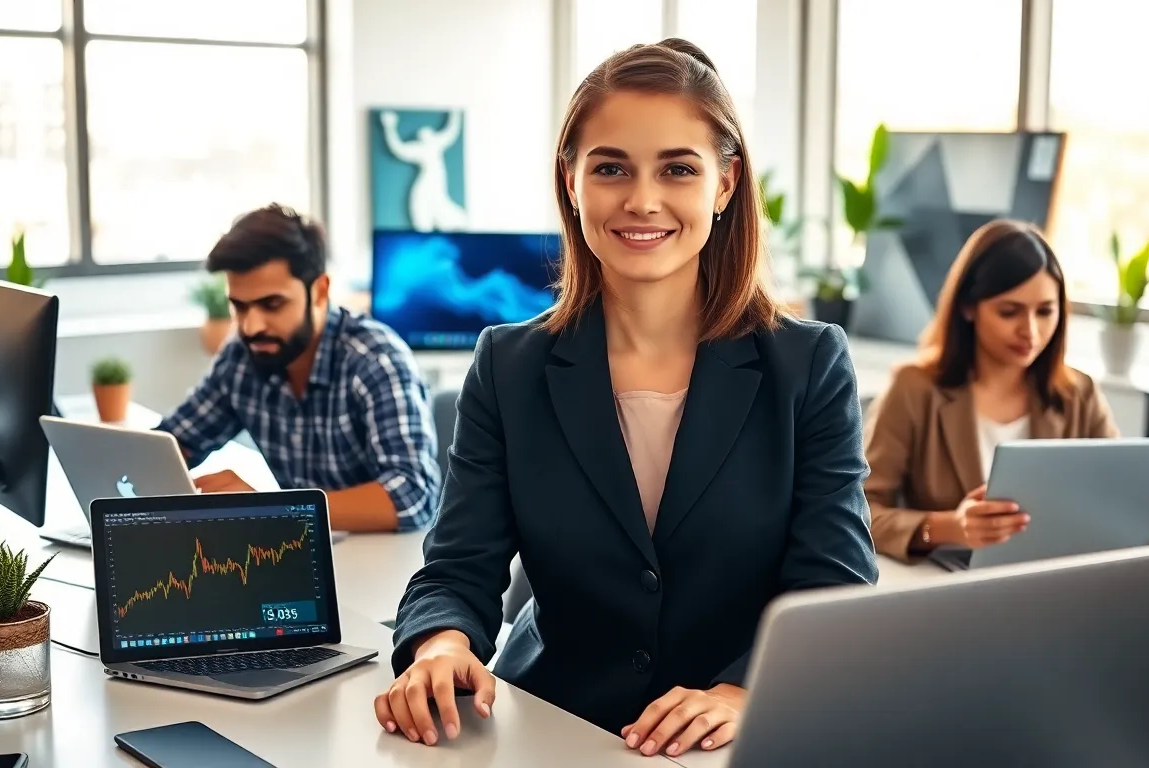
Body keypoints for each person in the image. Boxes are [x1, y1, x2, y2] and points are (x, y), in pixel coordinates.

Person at [374, 39, 878, 758]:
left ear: (726, 185)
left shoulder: (808, 363)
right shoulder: (509, 365)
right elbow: (457, 567)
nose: (642, 200)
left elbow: (834, 581)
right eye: (611, 167)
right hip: (553, 730)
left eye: (678, 168)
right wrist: (438, 645)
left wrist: (744, 690)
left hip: (734, 737)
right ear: (571, 181)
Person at [157, 204, 442, 533]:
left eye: (272, 304)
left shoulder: (375, 360)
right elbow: (178, 441)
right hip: (299, 550)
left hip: (388, 563)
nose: (251, 327)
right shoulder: (242, 356)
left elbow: (412, 497)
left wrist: (268, 508)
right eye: (239, 306)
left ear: (320, 291)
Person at [864, 219, 1131, 562]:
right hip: (952, 588)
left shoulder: (1079, 394)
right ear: (968, 308)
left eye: (1045, 312)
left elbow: (1121, 497)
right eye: (1010, 312)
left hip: (1053, 579)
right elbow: (859, 512)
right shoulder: (914, 388)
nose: (1031, 331)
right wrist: (949, 527)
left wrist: (1148, 534)